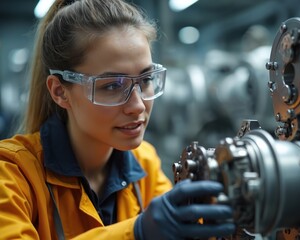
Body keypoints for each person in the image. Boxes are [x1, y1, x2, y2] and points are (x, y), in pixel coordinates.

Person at [0, 0, 235, 239]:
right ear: (60, 92)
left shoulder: (144, 163)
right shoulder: (12, 173)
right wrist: (136, 233)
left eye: (145, 80)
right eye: (112, 85)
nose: (138, 105)